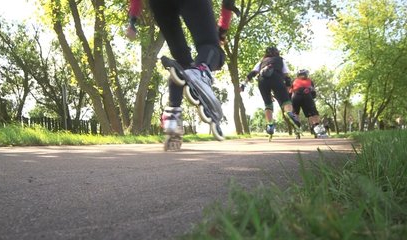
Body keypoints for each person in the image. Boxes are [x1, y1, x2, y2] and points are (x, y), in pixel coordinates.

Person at [126, 0, 239, 137]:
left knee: (182, 63)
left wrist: (132, 19)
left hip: (159, 5)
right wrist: (222, 29)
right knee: (211, 46)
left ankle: (172, 116)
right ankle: (201, 72)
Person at [242, 47, 301, 136]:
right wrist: (288, 87)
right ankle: (289, 113)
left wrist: (243, 84)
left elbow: (252, 73)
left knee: (268, 104)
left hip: (262, 80)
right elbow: (286, 75)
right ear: (277, 53)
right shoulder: (280, 60)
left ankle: (270, 125)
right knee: (286, 101)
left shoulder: (262, 61)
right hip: (277, 78)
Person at [289, 69, 328, 138]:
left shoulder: (294, 81)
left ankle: (297, 130)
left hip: (295, 96)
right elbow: (313, 93)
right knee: (313, 114)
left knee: (295, 114)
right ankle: (317, 130)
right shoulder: (309, 81)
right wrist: (312, 97)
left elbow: (290, 92)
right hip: (306, 95)